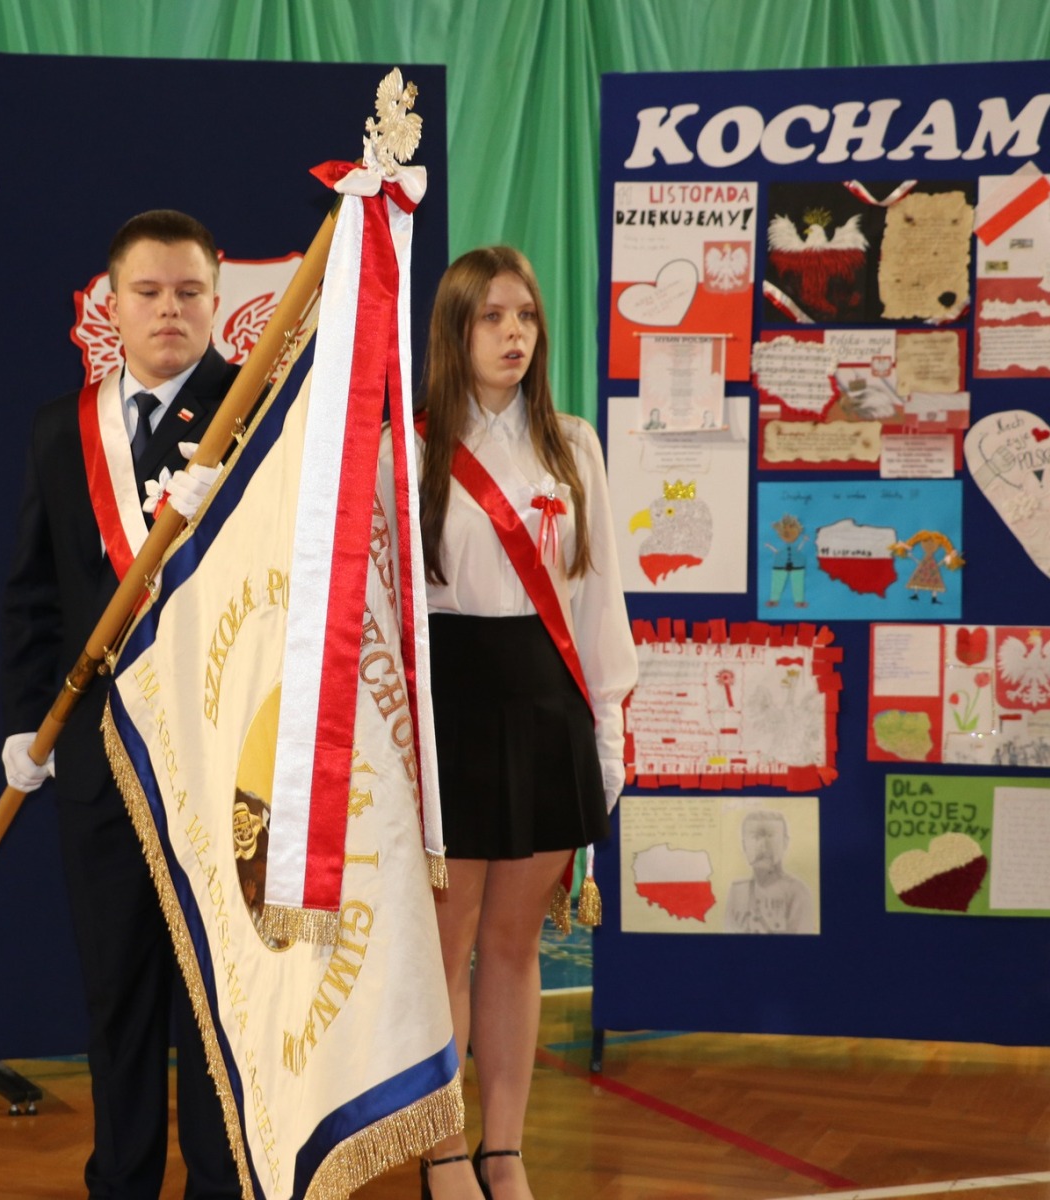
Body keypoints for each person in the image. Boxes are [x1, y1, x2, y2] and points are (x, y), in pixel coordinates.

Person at [0, 209, 235, 1199]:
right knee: (118, 993)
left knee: (216, 1004)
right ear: (113, 303)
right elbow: (36, 593)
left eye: (189, 292)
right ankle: (124, 1182)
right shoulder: (64, 428)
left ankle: (223, 1184)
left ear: (216, 301)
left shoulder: (256, 413)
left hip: (223, 757)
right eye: (148, 292)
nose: (169, 310)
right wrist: (29, 720)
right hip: (102, 759)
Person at [408, 247, 637, 1200]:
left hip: (548, 707)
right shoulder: (407, 445)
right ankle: (441, 1151)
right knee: (446, 945)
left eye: (527, 316)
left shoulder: (573, 444)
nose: (514, 334)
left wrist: (607, 730)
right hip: (450, 710)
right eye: (492, 317)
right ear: (453, 331)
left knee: (514, 944)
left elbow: (599, 595)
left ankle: (503, 1148)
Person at [725, 810, 814, 934]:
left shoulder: (798, 892)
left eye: (770, 836)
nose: (763, 846)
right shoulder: (737, 892)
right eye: (755, 837)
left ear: (785, 843)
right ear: (744, 845)